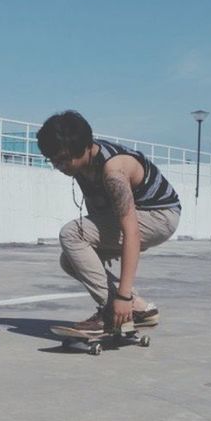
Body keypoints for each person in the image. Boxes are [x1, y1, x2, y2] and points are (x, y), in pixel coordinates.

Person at [36, 110, 181, 335]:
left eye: (63, 159)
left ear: (84, 147)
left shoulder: (113, 171)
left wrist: (122, 295)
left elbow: (131, 231)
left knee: (71, 234)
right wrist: (103, 242)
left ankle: (114, 312)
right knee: (70, 260)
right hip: (140, 214)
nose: (59, 166)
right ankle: (140, 311)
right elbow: (98, 208)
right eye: (53, 160)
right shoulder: (82, 165)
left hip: (159, 215)